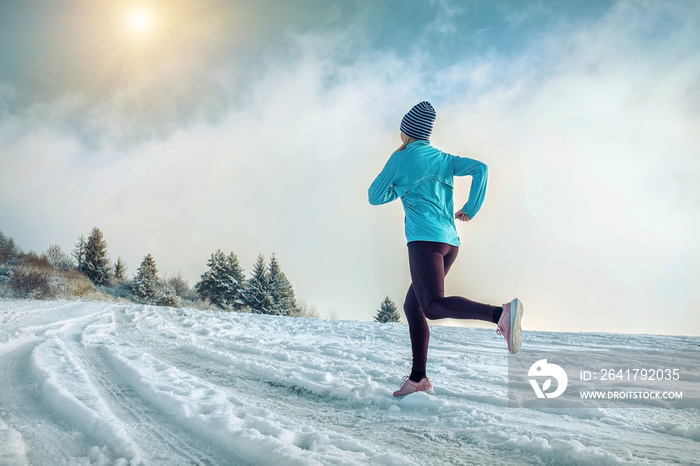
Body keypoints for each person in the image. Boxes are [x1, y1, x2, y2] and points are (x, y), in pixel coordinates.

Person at [368, 101, 523, 397]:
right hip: (449, 243)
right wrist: (471, 208)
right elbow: (481, 168)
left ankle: (499, 313)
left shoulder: (399, 160)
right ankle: (418, 379)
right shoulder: (443, 158)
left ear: (407, 130)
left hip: (424, 241)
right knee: (414, 307)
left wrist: (399, 188)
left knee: (432, 306)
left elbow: (374, 196)